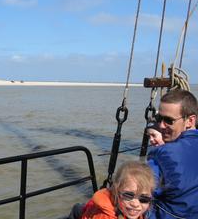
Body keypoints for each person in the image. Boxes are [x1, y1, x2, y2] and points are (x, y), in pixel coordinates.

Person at [147, 89, 198, 219]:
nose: (161, 126)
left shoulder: (163, 155)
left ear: (190, 121)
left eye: (169, 120)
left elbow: (141, 191)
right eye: (159, 118)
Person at [81, 161, 155, 219]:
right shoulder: (104, 217)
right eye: (128, 195)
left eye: (144, 199)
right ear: (116, 191)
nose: (135, 204)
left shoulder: (126, 210)